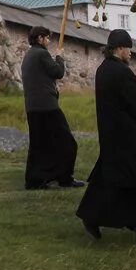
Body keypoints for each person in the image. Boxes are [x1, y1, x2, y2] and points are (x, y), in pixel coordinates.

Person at [76, 29, 136, 246]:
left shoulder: (105, 70)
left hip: (115, 136)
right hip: (131, 137)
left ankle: (92, 215)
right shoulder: (121, 72)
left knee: (115, 180)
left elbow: (128, 96)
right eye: (128, 48)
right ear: (119, 48)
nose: (130, 53)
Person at [20, 26, 83, 190]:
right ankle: (64, 178)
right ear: (40, 38)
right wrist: (59, 57)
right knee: (67, 143)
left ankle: (35, 180)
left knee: (40, 145)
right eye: (47, 38)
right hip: (46, 106)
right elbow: (58, 72)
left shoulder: (29, 55)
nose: (49, 41)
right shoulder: (41, 53)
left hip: (33, 107)